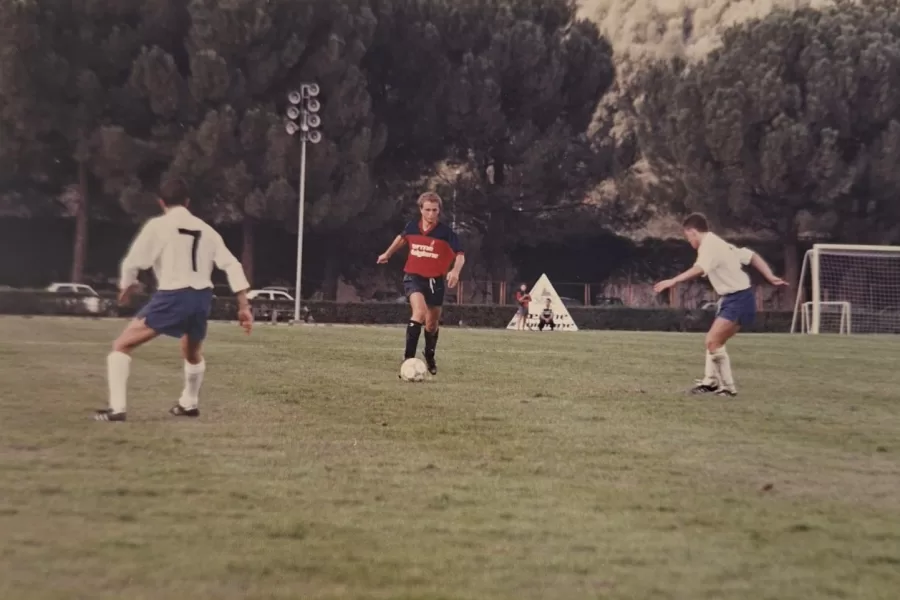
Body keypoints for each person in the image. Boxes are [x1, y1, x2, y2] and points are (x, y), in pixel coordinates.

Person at [94, 178, 253, 422]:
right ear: (187, 202)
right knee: (191, 353)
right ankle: (189, 404)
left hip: (174, 295)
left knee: (121, 346)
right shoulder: (206, 229)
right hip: (201, 298)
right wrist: (243, 306)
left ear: (161, 202)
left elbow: (133, 261)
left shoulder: (158, 225)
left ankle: (117, 410)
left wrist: (126, 287)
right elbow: (232, 264)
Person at [653, 212, 786, 397]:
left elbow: (699, 269)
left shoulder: (709, 246)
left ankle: (728, 389)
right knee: (715, 342)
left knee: (712, 341)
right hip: (734, 298)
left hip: (739, 299)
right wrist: (769, 275)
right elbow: (751, 255)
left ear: (692, 231)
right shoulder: (720, 244)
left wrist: (673, 281)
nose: (689, 241)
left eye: (687, 236)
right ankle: (710, 383)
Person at [377, 191, 465, 374]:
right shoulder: (412, 226)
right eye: (428, 210)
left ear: (439, 210)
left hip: (436, 281)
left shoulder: (446, 233)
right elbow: (401, 239)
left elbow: (460, 256)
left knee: (431, 324)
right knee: (419, 312)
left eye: (435, 210)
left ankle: (429, 355)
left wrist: (455, 271)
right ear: (421, 210)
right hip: (413, 277)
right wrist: (387, 254)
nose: (431, 214)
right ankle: (408, 360)